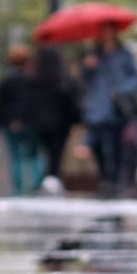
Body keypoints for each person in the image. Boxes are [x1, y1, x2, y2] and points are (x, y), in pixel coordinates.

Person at [80, 22, 137, 198]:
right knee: (97, 143)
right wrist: (88, 67)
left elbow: (135, 77)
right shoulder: (94, 54)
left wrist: (123, 90)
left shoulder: (124, 54)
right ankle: (105, 176)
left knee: (115, 145)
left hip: (117, 106)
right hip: (97, 106)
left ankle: (114, 179)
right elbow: (85, 79)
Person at [0, 45, 43, 196]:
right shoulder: (32, 79)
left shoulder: (7, 80)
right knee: (33, 155)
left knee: (16, 156)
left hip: (10, 123)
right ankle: (33, 186)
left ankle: (19, 190)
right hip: (31, 122)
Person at [29, 46, 80, 196]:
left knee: (41, 153)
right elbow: (72, 103)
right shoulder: (65, 81)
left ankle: (42, 182)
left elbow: (30, 104)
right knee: (56, 155)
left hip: (40, 124)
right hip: (61, 124)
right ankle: (53, 181)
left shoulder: (35, 81)